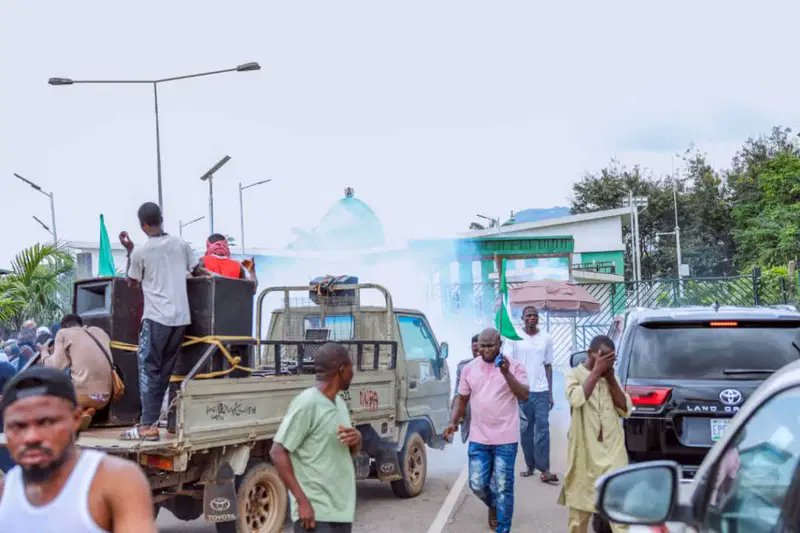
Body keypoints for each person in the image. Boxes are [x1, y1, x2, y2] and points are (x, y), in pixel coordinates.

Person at [0, 366, 155, 532]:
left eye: (46, 422)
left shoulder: (114, 481)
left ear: (76, 419)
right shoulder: (5, 493)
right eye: (18, 426)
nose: (32, 437)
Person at [119, 202, 196, 441]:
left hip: (156, 318)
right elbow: (197, 269)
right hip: (181, 318)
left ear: (143, 225)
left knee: (148, 369)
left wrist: (130, 250)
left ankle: (147, 426)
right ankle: (151, 422)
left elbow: (132, 281)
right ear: (162, 218)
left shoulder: (141, 252)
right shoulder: (181, 244)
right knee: (164, 371)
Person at [445, 328, 529, 533]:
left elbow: (524, 395)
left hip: (506, 438)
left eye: (490, 345)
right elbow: (461, 399)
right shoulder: (469, 369)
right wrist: (453, 422)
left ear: (500, 345)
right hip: (479, 437)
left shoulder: (515, 366)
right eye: (482, 345)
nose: (485, 350)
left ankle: (503, 528)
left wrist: (506, 372)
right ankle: (494, 504)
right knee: (477, 484)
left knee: (504, 485)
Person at [270, 343, 360, 533]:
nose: (354, 372)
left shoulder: (340, 404)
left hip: (340, 514)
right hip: (315, 517)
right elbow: (278, 452)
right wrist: (302, 501)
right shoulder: (307, 403)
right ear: (342, 370)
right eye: (352, 367)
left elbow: (348, 452)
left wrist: (356, 440)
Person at [558, 335, 632, 533]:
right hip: (584, 454)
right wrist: (597, 372)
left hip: (613, 451)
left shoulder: (610, 376)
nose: (608, 363)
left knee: (620, 514)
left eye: (611, 359)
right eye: (604, 358)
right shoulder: (573, 374)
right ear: (591, 354)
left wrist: (609, 378)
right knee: (578, 519)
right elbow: (576, 399)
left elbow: (625, 409)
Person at [506, 306, 558, 483]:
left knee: (542, 429)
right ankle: (530, 465)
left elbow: (548, 365)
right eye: (528, 315)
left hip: (541, 391)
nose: (532, 318)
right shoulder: (514, 338)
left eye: (535, 315)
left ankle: (545, 469)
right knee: (526, 431)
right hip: (523, 391)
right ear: (522, 318)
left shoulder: (546, 338)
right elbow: (510, 367)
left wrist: (550, 393)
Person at [42, 314, 113, 430]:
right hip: (105, 398)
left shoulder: (63, 333)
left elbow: (54, 367)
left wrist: (44, 353)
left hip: (83, 396)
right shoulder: (99, 332)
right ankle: (86, 411)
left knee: (53, 385)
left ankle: (73, 415)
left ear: (63, 326)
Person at [452, 333, 480, 443]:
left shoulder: (497, 366)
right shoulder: (463, 366)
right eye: (474, 349)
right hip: (470, 412)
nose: (478, 352)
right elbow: (457, 392)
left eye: (480, 348)